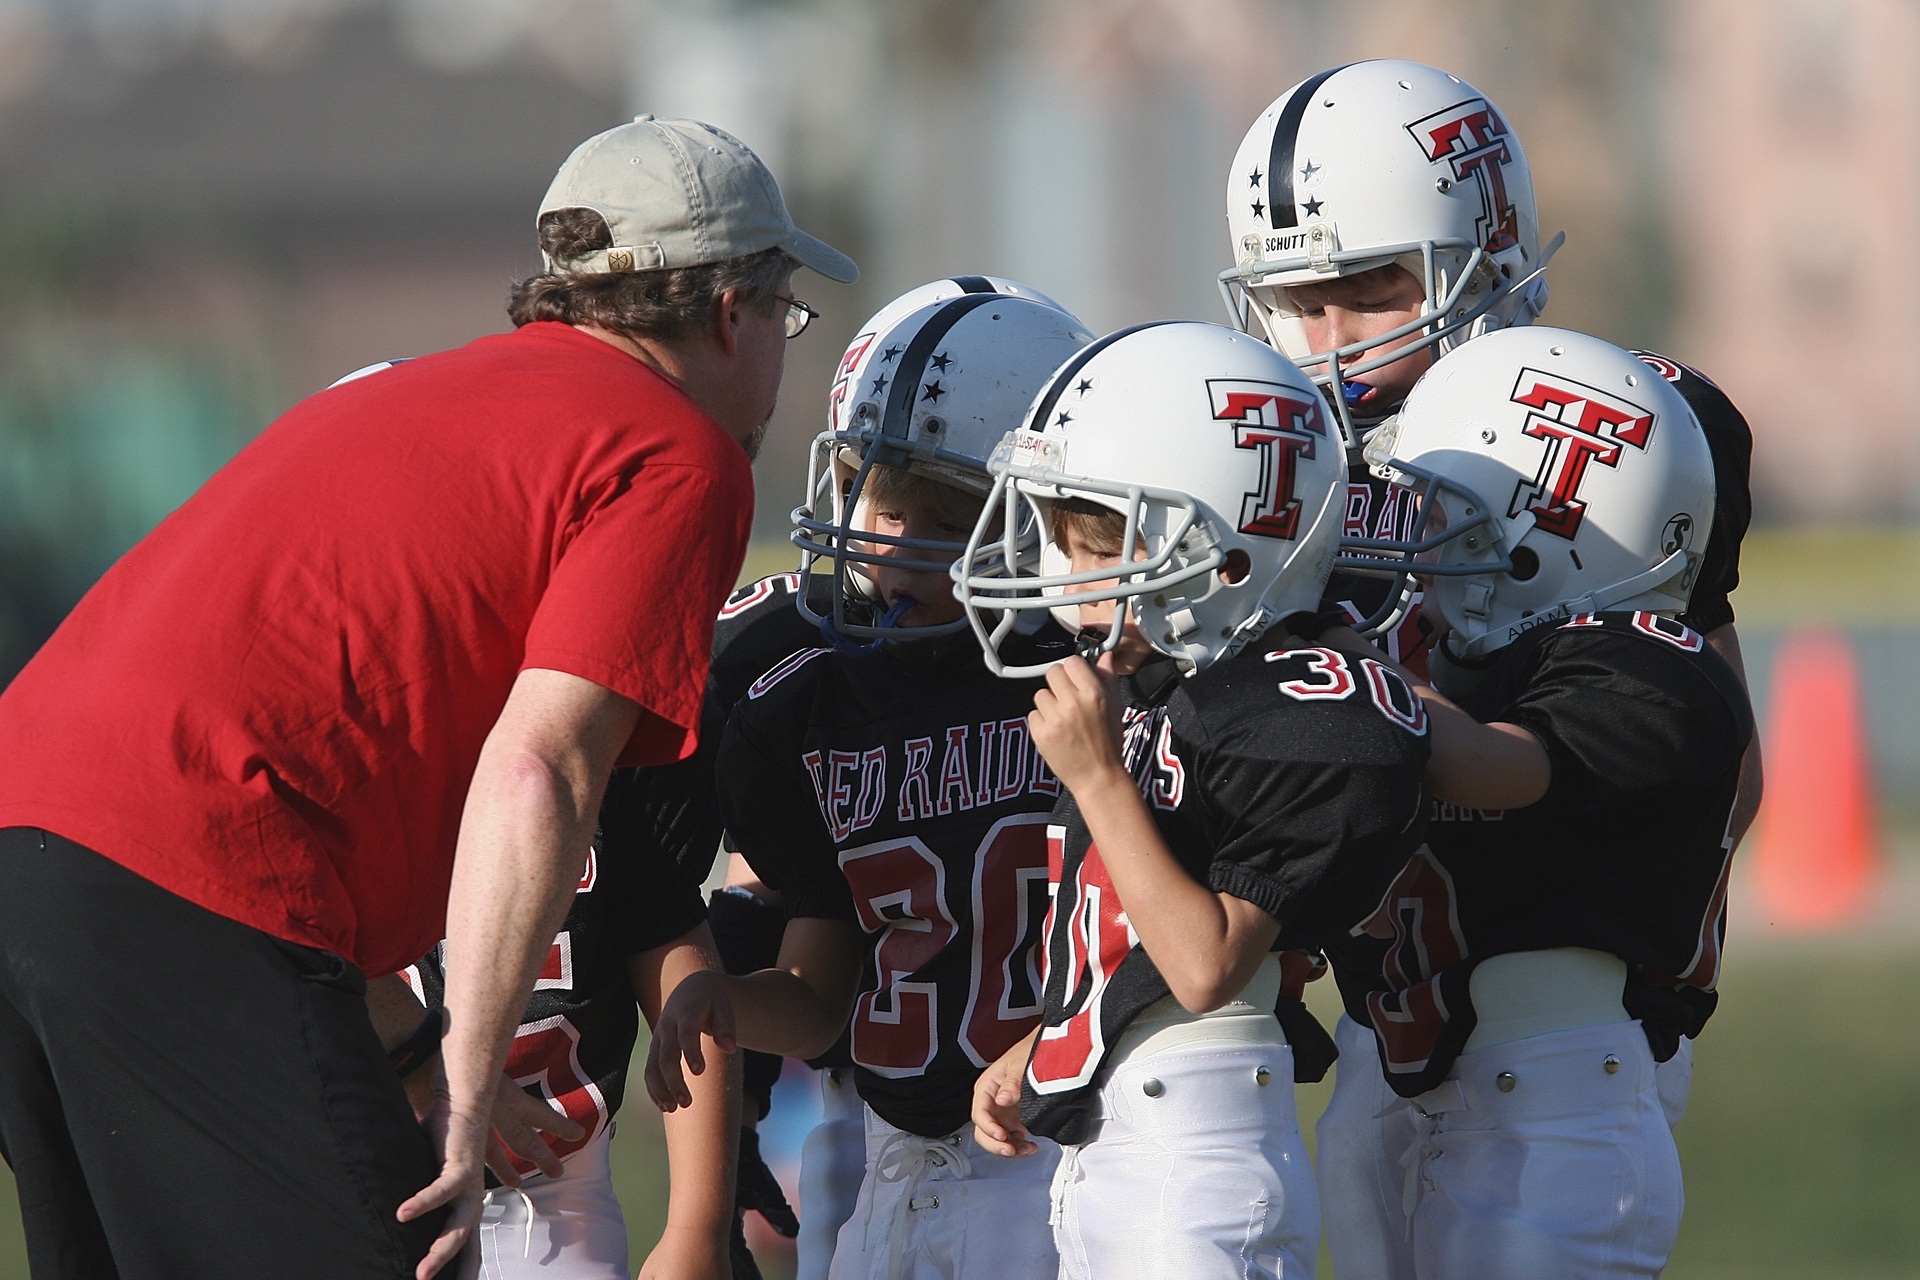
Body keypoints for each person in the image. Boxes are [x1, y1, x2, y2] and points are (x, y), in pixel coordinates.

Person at [0, 114, 854, 1280]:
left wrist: (417, 1047)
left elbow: (252, 743)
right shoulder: (673, 449)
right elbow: (539, 767)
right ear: (729, 313)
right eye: (785, 316)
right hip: (179, 884)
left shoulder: (409, 392)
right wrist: (460, 1091)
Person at [1217, 60, 1760, 1278]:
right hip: (1385, 997)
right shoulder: (1284, 451)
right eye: (1292, 299)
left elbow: (1714, 748)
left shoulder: (1619, 423)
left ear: (1484, 242)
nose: (1328, 342)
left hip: (1557, 1000)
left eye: (1366, 290)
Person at [954, 321, 1432, 1280]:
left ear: (1231, 550)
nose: (1059, 578)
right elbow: (1130, 923)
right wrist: (1061, 1041)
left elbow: (1207, 963)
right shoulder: (1171, 693)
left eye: (1093, 542)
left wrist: (1096, 777)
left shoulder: (1297, 708)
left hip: (1196, 1156)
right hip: (1123, 1140)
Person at [645, 289, 1095, 1280]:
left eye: (945, 513)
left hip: (1069, 1157)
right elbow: (811, 963)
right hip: (885, 1156)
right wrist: (730, 1009)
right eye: (882, 497)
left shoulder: (1103, 675)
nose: (889, 545)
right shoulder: (793, 670)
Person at [1329, 326, 1752, 1277]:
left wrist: (1341, 683)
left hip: (1558, 1118)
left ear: (1535, 536)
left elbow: (1498, 768)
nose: (1413, 534)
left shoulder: (1655, 672)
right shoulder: (1471, 658)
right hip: (1447, 1091)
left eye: (1442, 512)